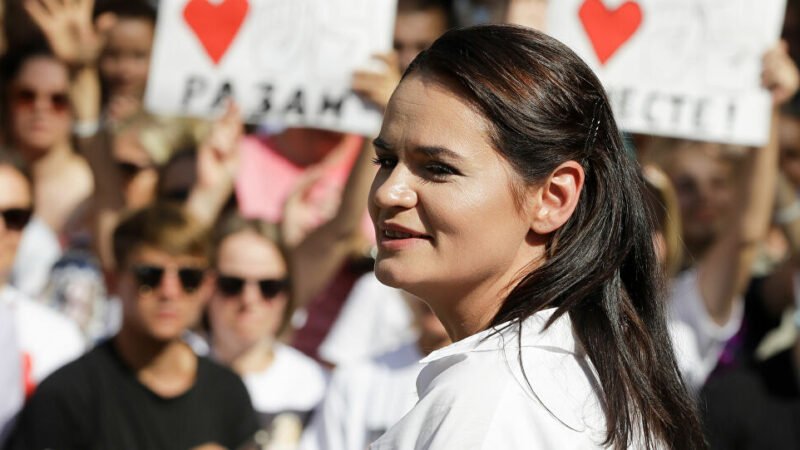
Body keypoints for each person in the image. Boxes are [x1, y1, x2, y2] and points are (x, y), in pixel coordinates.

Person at [366, 25, 704, 449]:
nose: (388, 193)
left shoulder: (492, 404)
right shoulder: (568, 379)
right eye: (385, 160)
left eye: (437, 168)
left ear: (552, 197)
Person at [5, 202, 259, 450]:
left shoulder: (227, 392)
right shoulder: (66, 395)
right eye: (150, 276)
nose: (170, 292)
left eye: (189, 278)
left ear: (207, 286)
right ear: (113, 281)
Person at [207, 213, 327, 449]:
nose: (249, 299)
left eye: (269, 287)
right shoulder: (172, 371)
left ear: (287, 293)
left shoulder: (317, 386)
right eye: (232, 284)